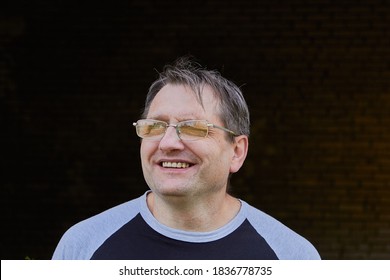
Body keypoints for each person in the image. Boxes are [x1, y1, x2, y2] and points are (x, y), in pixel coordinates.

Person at [52, 56, 320, 260]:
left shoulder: (291, 257)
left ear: (236, 152)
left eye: (193, 127)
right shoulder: (82, 247)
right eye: (155, 126)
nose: (167, 143)